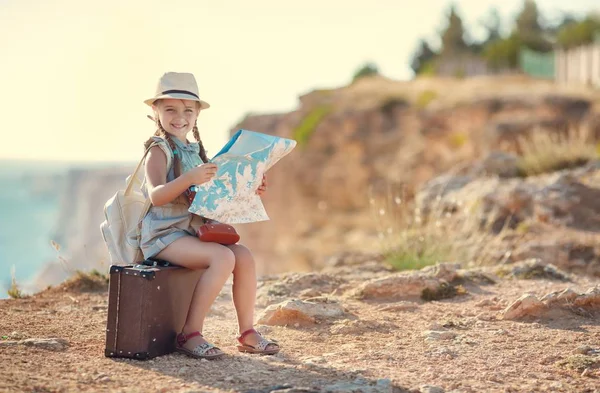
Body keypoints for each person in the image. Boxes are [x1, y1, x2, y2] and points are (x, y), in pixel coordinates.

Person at [140, 72, 280, 360]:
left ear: (197, 115)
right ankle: (189, 333)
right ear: (156, 111)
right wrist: (189, 178)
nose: (180, 117)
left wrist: (251, 187)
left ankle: (247, 332)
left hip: (190, 233)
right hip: (164, 236)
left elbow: (216, 197)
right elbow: (156, 195)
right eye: (170, 110)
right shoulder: (158, 150)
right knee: (222, 257)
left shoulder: (196, 152)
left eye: (188, 111)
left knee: (243, 256)